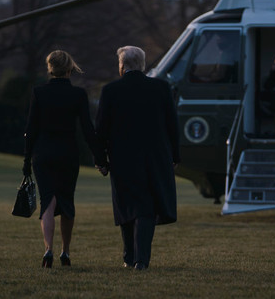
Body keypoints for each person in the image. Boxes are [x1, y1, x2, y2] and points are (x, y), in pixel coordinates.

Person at [95, 46, 180, 271]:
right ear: (142, 65)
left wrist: (100, 160)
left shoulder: (111, 90)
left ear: (122, 66)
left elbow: (101, 129)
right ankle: (141, 259)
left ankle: (128, 256)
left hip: (122, 157)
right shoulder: (162, 88)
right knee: (146, 208)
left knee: (126, 206)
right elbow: (173, 125)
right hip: (155, 156)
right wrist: (175, 155)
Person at [23, 50, 108, 268]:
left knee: (48, 202)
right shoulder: (78, 94)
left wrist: (26, 161)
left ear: (50, 68)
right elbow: (88, 129)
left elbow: (31, 129)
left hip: (43, 154)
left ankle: (48, 249)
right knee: (67, 202)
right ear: (69, 68)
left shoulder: (39, 92)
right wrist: (100, 157)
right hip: (68, 153)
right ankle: (66, 252)